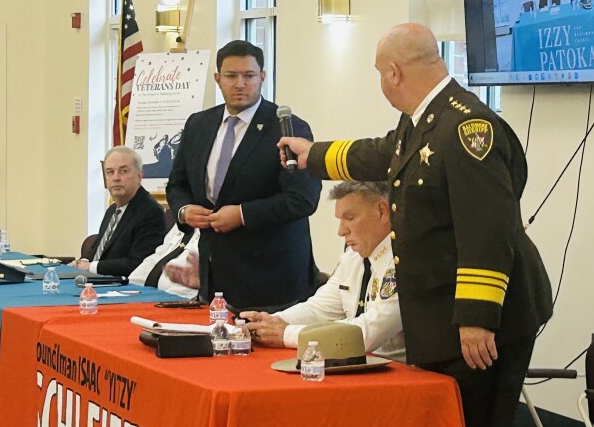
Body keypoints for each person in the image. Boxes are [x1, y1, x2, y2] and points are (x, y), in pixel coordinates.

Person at [279, 23, 553, 427]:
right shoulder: (427, 120)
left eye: (378, 74)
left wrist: (476, 320)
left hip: (482, 322)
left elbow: (488, 229)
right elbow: (383, 153)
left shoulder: (468, 128)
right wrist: (314, 156)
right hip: (443, 318)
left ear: (393, 73)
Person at [166, 40, 322, 310]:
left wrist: (241, 214)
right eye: (231, 76)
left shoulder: (288, 127)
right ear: (217, 79)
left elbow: (302, 200)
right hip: (215, 277)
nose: (240, 84)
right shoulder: (198, 124)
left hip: (273, 278)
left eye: (249, 75)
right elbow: (177, 184)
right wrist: (184, 211)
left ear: (262, 77)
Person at [241, 181, 405, 362]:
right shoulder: (353, 257)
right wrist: (268, 323)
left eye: (350, 218)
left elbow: (366, 334)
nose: (341, 231)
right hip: (357, 367)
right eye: (340, 220)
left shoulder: (404, 260)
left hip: (402, 375)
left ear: (382, 211)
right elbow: (319, 310)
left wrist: (286, 334)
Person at [71, 146, 164, 277]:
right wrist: (81, 262)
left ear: (139, 176)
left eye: (123, 171)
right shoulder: (112, 210)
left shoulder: (150, 212)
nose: (116, 178)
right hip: (97, 280)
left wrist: (90, 266)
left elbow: (138, 263)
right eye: (110, 172)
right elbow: (98, 248)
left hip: (123, 288)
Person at [128, 224, 200, 299]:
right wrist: (130, 286)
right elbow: (159, 255)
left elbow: (188, 287)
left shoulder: (210, 230)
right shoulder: (183, 221)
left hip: (178, 300)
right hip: (152, 297)